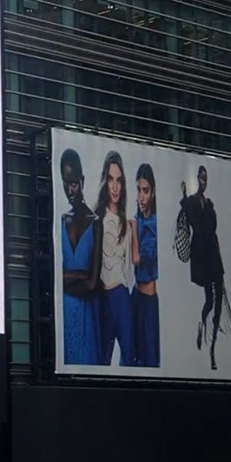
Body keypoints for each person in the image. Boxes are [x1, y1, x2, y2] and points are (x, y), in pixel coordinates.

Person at [180, 165, 230, 370]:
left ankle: (213, 349)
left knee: (218, 300)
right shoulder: (192, 202)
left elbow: (212, 227)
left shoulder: (209, 204)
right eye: (201, 178)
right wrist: (183, 195)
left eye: (205, 179)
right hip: (203, 256)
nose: (203, 182)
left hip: (213, 254)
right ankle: (202, 322)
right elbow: (191, 221)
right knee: (210, 299)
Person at [58, 149, 101, 366]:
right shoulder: (61, 221)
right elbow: (55, 279)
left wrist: (64, 280)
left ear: (82, 181)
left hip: (87, 319)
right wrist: (79, 274)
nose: (70, 190)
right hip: (65, 318)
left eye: (74, 183)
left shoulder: (95, 222)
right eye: (65, 184)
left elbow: (92, 284)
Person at [94, 151, 134, 367]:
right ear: (105, 182)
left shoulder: (127, 224)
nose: (115, 187)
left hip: (122, 295)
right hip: (104, 297)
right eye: (111, 179)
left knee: (128, 358)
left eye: (119, 180)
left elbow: (129, 267)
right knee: (102, 359)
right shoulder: (97, 219)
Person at [130, 163, 161, 368]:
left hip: (149, 301)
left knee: (149, 360)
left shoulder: (154, 225)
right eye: (138, 190)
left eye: (146, 191)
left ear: (153, 192)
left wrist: (133, 229)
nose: (141, 197)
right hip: (135, 295)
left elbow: (137, 259)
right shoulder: (138, 219)